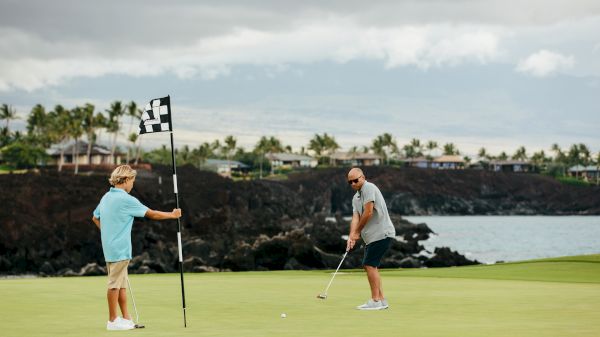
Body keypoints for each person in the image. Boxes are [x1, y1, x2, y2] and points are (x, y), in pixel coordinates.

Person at [92, 165, 182, 330]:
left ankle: (126, 318)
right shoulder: (126, 199)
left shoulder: (106, 197)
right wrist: (173, 215)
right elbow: (151, 214)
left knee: (121, 284)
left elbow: (95, 217)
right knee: (114, 284)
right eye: (132, 180)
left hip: (110, 247)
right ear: (125, 180)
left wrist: (108, 233)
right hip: (120, 249)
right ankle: (112, 320)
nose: (133, 184)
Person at [346, 167, 396, 310]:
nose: (353, 184)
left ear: (363, 177)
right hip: (372, 237)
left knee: (369, 264)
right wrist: (352, 235)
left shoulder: (369, 187)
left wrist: (357, 232)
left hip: (382, 233)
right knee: (372, 265)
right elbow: (355, 217)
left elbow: (368, 212)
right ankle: (381, 300)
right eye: (350, 182)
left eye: (356, 180)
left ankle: (375, 301)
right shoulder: (356, 198)